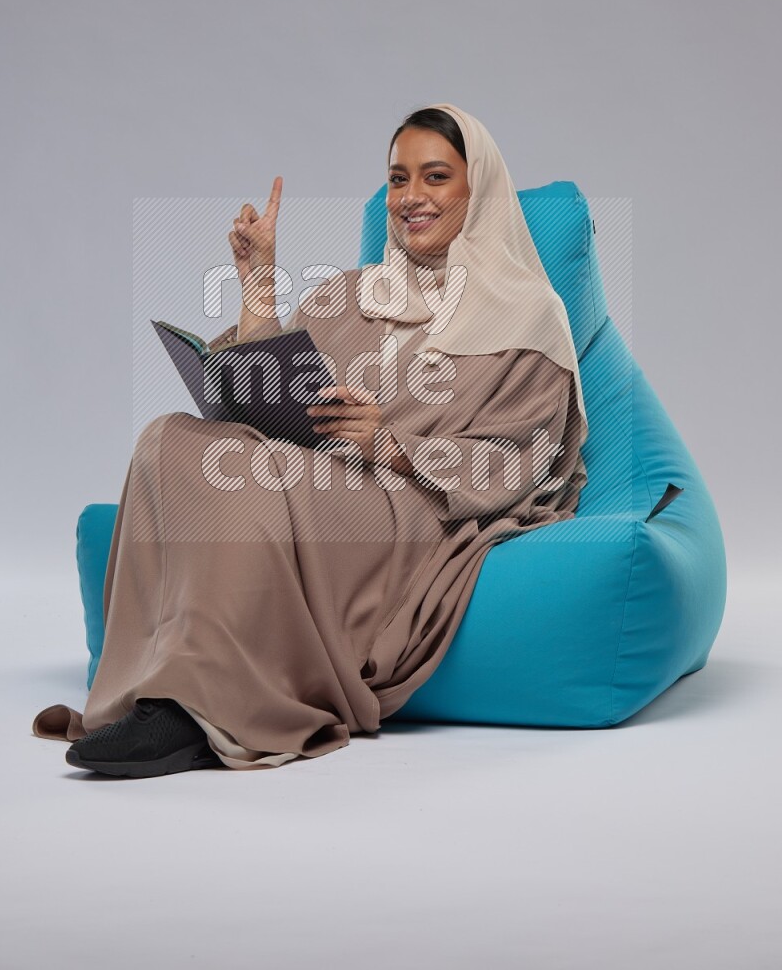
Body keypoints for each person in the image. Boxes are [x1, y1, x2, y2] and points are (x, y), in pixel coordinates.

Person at [31, 102, 589, 776]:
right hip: (325, 475)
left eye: (435, 176)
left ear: (480, 190)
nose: (410, 197)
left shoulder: (529, 312)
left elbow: (524, 458)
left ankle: (198, 712)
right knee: (168, 439)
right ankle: (152, 686)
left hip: (411, 502)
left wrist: (391, 441)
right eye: (397, 178)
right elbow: (273, 401)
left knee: (246, 472)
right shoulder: (349, 295)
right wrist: (259, 285)